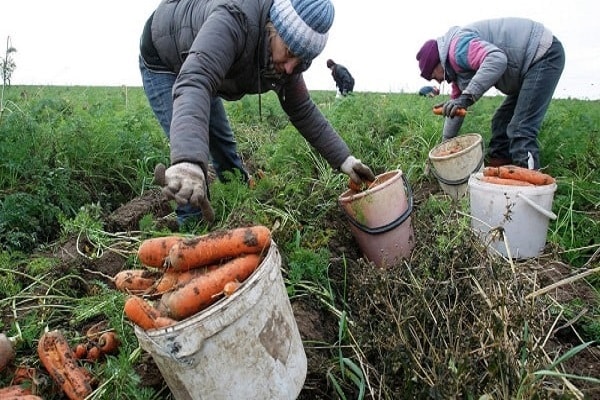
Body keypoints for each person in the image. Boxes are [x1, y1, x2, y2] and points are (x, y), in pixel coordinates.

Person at [139, 0, 375, 226]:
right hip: (165, 57)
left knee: (222, 143)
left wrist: (344, 159)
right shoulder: (234, 19)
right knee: (188, 176)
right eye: (290, 52)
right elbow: (196, 81)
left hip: (205, 64)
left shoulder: (289, 62)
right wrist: (188, 159)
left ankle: (240, 204)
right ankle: (191, 232)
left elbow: (302, 110)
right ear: (272, 27)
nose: (292, 67)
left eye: (302, 60)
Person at [416, 17, 565, 169]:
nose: (439, 82)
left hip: (542, 55)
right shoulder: (457, 74)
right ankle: (498, 175)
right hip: (526, 69)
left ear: (437, 63)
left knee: (520, 129)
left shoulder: (458, 49)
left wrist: (466, 98)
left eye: (434, 76)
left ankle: (532, 184)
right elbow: (456, 112)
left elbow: (497, 59)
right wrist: (444, 148)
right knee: (500, 122)